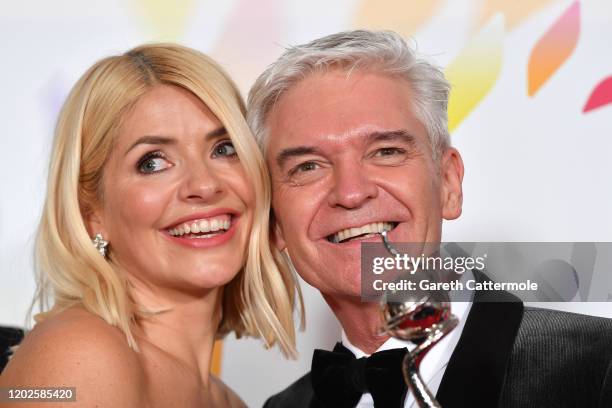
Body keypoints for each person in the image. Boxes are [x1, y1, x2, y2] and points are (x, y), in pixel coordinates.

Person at [247, 30, 612, 407]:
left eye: (385, 151)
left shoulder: (598, 368)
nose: (351, 193)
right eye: (308, 166)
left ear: (448, 184)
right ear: (273, 222)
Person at [0, 44, 301, 407]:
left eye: (224, 148)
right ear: (90, 212)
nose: (204, 185)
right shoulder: (80, 356)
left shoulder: (228, 401)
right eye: (153, 163)